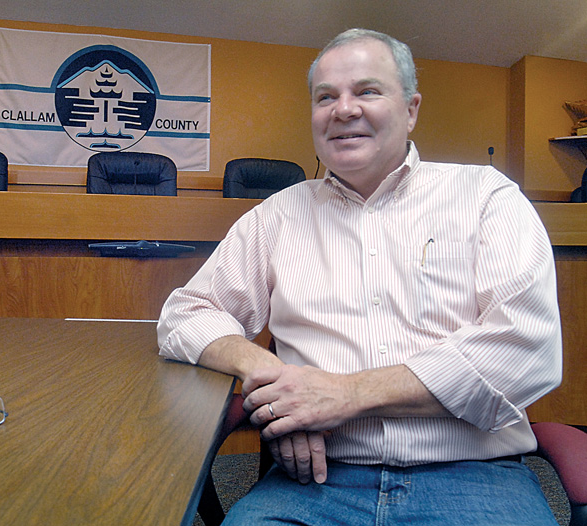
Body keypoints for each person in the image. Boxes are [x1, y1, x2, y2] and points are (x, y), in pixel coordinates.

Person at [157, 28, 563, 525]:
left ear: (411, 109)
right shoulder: (277, 216)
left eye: (367, 91)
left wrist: (346, 396)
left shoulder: (485, 197)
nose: (343, 109)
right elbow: (185, 314)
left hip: (474, 476)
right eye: (326, 97)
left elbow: (526, 351)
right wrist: (277, 380)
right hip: (317, 481)